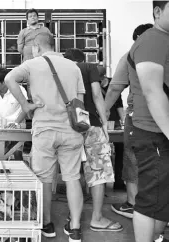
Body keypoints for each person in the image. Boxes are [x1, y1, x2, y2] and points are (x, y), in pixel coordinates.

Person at [5, 32, 85, 242]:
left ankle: (47, 224)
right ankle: (75, 228)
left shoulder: (32, 64)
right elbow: (80, 102)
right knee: (73, 178)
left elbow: (8, 78)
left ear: (37, 46)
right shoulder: (73, 66)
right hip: (71, 130)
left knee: (44, 179)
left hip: (44, 131)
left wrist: (25, 104)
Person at [65, 48, 122, 233]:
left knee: (71, 174)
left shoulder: (60, 69)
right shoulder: (89, 68)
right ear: (83, 58)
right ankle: (96, 218)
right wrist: (105, 123)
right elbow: (97, 95)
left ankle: (72, 217)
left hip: (67, 126)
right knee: (98, 171)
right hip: (91, 125)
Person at [126, 1, 169, 242]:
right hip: (153, 132)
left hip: (159, 131)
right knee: (150, 198)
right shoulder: (153, 40)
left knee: (161, 196)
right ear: (158, 12)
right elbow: (153, 92)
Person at [105, 23, 153, 220]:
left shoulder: (130, 55)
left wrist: (103, 111)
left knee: (132, 158)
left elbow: (115, 88)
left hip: (139, 117)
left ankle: (133, 204)